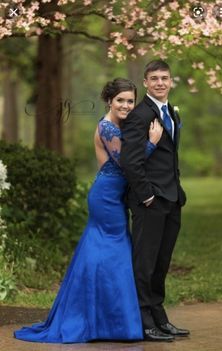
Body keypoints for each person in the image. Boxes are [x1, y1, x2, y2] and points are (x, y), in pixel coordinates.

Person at [14, 78, 163, 344]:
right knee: (114, 251)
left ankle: (106, 318)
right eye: (121, 100)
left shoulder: (121, 125)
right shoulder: (107, 128)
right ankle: (108, 321)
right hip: (105, 198)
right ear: (109, 100)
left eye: (130, 100)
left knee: (106, 251)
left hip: (115, 195)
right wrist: (151, 142)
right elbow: (127, 163)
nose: (126, 105)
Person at [120, 60, 190, 342]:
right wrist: (146, 195)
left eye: (164, 78)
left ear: (170, 81)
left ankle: (159, 316)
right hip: (150, 201)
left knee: (161, 263)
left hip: (172, 199)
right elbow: (130, 162)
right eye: (154, 78)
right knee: (145, 263)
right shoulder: (139, 115)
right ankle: (144, 320)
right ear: (145, 83)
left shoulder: (170, 112)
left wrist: (176, 191)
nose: (160, 82)